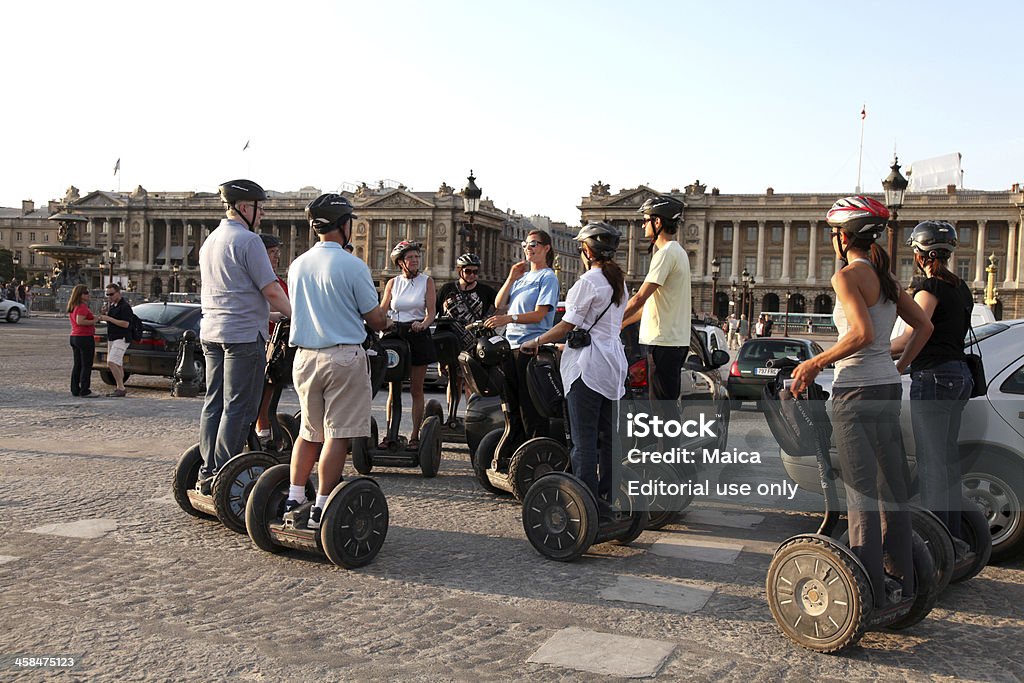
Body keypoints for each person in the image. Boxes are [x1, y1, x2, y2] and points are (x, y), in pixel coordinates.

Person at [790, 195, 933, 610]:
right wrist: (900, 366)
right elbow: (923, 325)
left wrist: (814, 362)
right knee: (893, 491)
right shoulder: (887, 279)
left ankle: (869, 592)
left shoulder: (847, 277)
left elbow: (862, 334)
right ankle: (901, 585)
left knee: (861, 493)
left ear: (842, 236)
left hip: (855, 393)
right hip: (887, 390)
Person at [283, 194, 390, 528]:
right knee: (337, 435)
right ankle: (322, 506)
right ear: (345, 225)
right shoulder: (353, 266)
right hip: (343, 356)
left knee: (308, 431)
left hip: (304, 358)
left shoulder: (297, 264)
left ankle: (294, 495)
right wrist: (386, 315)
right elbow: (374, 320)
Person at [520, 223, 627, 510]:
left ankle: (586, 505)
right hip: (613, 365)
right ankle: (608, 499)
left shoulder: (588, 282)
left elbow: (568, 325)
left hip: (588, 369)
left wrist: (536, 341)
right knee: (609, 440)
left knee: (583, 443)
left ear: (587, 251)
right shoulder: (618, 282)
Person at [196, 179, 291, 494]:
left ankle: (207, 469)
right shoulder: (249, 242)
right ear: (244, 207)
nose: (262, 214)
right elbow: (272, 290)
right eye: (260, 208)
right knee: (239, 407)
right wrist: (300, 316)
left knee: (213, 405)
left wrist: (269, 315)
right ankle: (221, 478)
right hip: (242, 337)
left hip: (211, 332)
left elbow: (233, 293)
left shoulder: (210, 241)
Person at [891, 220, 975, 560]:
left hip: (935, 377)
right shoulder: (962, 288)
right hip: (959, 377)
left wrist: (895, 361)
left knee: (931, 464)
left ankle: (939, 544)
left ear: (919, 254)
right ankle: (953, 537)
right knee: (947, 462)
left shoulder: (929, 288)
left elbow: (918, 332)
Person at [485, 229, 560, 439]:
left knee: (530, 406)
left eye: (534, 244)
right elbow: (499, 304)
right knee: (512, 404)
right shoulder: (522, 277)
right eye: (525, 244)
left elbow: (539, 314)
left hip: (531, 347)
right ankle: (516, 446)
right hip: (512, 347)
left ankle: (535, 447)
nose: (529, 248)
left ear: (546, 248)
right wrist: (510, 278)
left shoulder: (548, 277)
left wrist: (509, 319)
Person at [621, 195, 691, 402]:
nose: (643, 225)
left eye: (645, 220)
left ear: (657, 221)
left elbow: (639, 298)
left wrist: (606, 320)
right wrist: (621, 323)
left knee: (662, 412)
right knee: (663, 408)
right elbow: (650, 307)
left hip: (663, 344)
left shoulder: (665, 253)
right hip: (671, 343)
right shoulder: (679, 252)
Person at [378, 240, 437, 449]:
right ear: (401, 262)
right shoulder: (393, 283)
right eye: (410, 258)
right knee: (393, 388)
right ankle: (390, 434)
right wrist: (380, 323)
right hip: (396, 336)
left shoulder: (426, 281)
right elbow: (383, 309)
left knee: (416, 389)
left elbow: (431, 313)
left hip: (417, 334)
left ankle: (414, 435)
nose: (415, 261)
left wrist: (423, 324)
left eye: (417, 257)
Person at [437, 253, 497, 402]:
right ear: (460, 271)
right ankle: (452, 416)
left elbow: (502, 305)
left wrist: (490, 319)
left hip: (476, 343)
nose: (472, 275)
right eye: (468, 271)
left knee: (473, 381)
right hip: (453, 342)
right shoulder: (447, 289)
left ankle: (471, 416)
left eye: (475, 272)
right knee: (453, 381)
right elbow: (436, 315)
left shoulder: (486, 291)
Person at [255, 233, 289, 447]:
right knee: (264, 392)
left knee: (272, 390)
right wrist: (275, 316)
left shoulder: (277, 279)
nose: (277, 257)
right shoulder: (259, 278)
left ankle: (267, 431)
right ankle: (262, 434)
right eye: (272, 253)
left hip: (279, 344)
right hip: (265, 341)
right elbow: (253, 309)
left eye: (278, 253)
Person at [96, 282, 132, 397]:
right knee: (118, 364)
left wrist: (109, 318)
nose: (109, 297)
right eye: (107, 294)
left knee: (111, 362)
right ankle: (119, 386)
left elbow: (126, 324)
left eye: (111, 294)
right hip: (112, 337)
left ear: (118, 293)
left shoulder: (125, 306)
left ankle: (121, 388)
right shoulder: (113, 306)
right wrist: (105, 314)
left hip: (121, 338)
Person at [67, 284, 97, 397]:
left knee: (78, 364)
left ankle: (75, 388)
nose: (88, 294)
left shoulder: (73, 306)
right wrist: (94, 320)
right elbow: (80, 321)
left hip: (74, 336)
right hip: (84, 337)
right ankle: (85, 390)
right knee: (86, 365)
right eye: (86, 293)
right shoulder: (82, 306)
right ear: (80, 295)